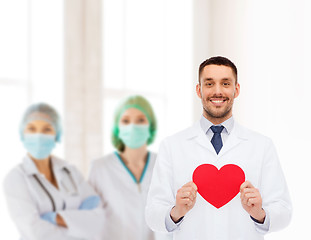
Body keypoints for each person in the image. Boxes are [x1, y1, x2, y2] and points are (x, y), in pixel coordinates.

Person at [145, 56, 292, 240]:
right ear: (198, 90)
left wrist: (260, 214)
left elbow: (284, 211)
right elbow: (152, 214)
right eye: (209, 84)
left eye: (225, 83)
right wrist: (176, 211)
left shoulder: (262, 145)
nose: (217, 91)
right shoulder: (172, 146)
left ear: (236, 89)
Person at [3, 103, 105, 240]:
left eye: (46, 129)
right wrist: (77, 224)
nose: (38, 136)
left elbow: (97, 219)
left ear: (56, 134)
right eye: (32, 129)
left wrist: (54, 218)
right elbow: (34, 232)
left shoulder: (70, 171)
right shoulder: (15, 178)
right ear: (23, 133)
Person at [88, 95, 171, 240]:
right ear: (117, 128)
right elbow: (89, 222)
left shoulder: (164, 165)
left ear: (150, 126)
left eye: (140, 120)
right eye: (125, 121)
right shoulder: (100, 168)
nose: (133, 126)